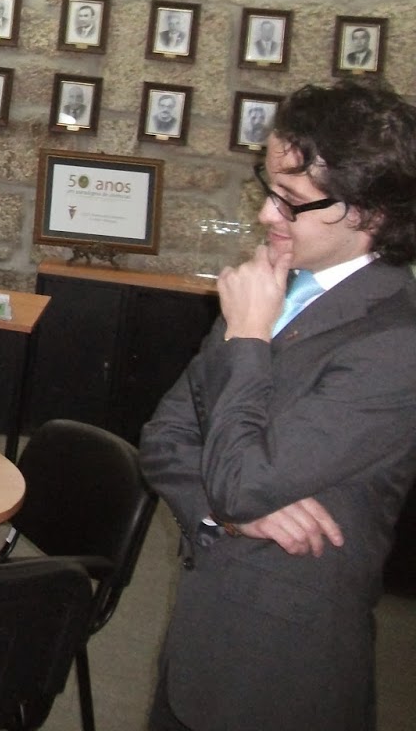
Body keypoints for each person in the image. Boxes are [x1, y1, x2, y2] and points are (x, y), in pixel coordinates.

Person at [141, 80, 416, 731]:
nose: (268, 215)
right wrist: (226, 516)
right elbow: (165, 435)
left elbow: (242, 483)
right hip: (202, 642)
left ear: (369, 214)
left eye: (291, 200)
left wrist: (247, 336)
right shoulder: (274, 285)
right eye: (268, 188)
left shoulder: (395, 342)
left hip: (281, 670)